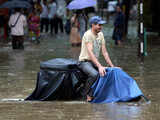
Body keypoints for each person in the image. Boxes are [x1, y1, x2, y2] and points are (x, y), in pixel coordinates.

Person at [78, 16, 115, 102]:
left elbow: (105, 52)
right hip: (84, 62)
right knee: (95, 74)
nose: (101, 27)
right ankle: (85, 94)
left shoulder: (101, 34)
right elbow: (90, 53)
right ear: (93, 25)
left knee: (107, 72)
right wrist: (99, 66)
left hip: (94, 62)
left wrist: (112, 66)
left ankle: (96, 94)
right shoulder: (88, 35)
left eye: (101, 25)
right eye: (99, 25)